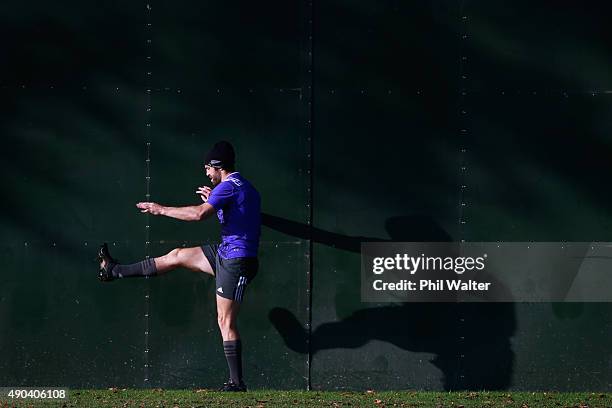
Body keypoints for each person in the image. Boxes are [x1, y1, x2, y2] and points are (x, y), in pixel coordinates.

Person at [97, 140, 260, 392]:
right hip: (226, 252)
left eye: (208, 168)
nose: (206, 173)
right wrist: (214, 199)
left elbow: (197, 215)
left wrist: (160, 210)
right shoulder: (240, 186)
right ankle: (113, 270)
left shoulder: (229, 187)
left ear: (218, 166)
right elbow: (237, 214)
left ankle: (237, 383)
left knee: (225, 321)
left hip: (237, 260)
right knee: (177, 255)